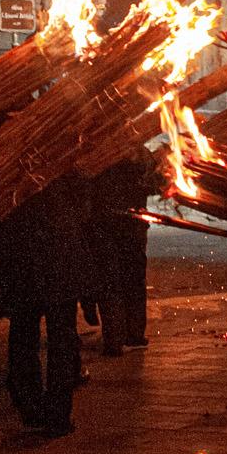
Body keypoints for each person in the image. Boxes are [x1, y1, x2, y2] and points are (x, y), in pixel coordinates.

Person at [0, 173, 89, 436]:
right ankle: (54, 414)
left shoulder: (19, 176)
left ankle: (33, 407)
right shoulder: (61, 173)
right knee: (57, 342)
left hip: (30, 264)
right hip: (54, 263)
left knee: (28, 338)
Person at [88, 146, 157, 354]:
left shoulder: (101, 152)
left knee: (112, 284)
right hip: (127, 226)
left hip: (108, 225)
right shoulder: (137, 154)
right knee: (130, 283)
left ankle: (116, 339)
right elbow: (152, 184)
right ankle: (128, 336)